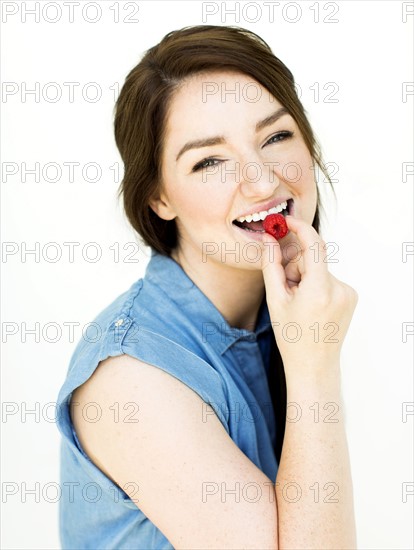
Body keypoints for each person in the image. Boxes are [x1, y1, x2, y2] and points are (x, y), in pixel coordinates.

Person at [56, 24, 358, 549]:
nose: (263, 182)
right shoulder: (131, 379)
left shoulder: (281, 316)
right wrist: (315, 366)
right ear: (159, 198)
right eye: (210, 161)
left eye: (277, 136)